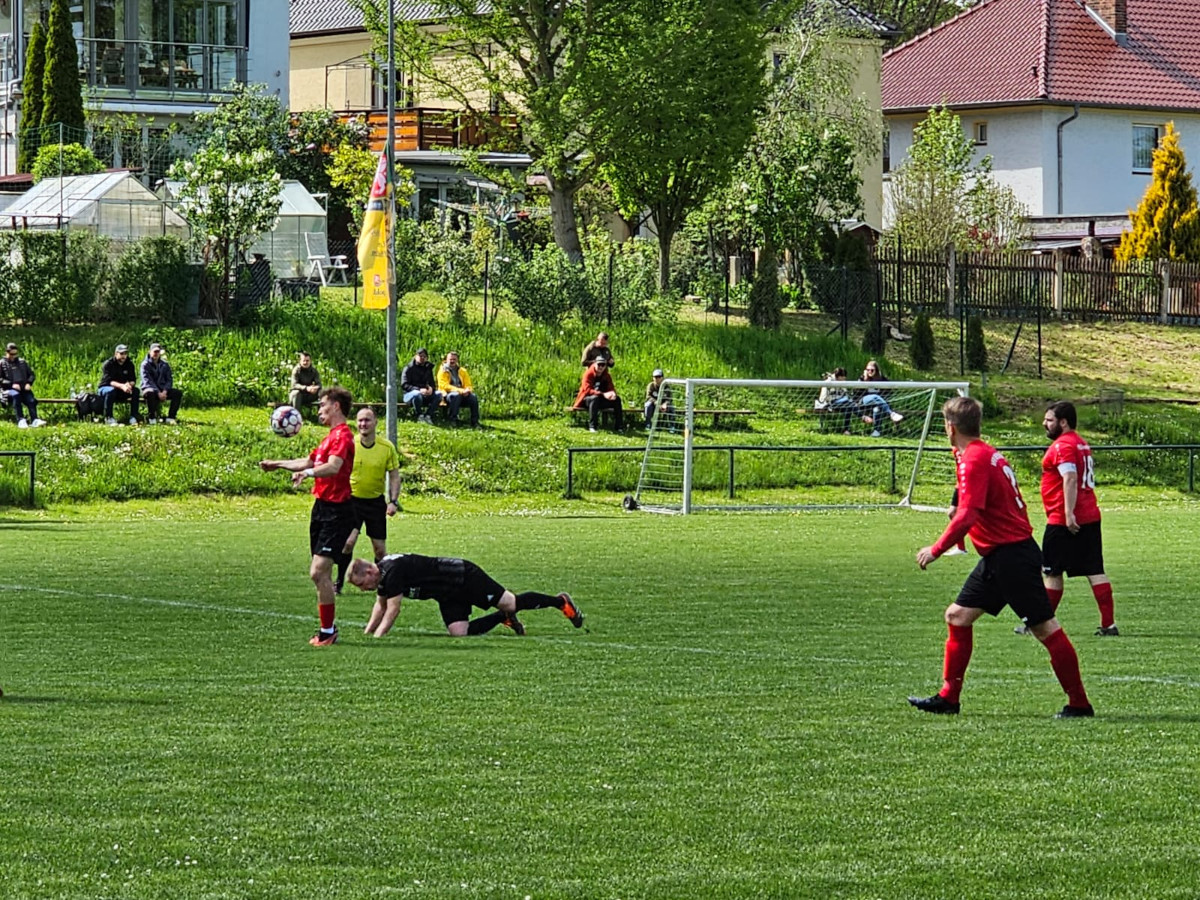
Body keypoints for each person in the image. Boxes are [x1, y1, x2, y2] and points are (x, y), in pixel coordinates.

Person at [909, 395, 1093, 718]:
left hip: (1011, 557)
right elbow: (967, 483)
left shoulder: (975, 459)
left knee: (1045, 628)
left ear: (950, 428)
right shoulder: (981, 452)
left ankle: (1079, 703)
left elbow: (968, 514)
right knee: (957, 616)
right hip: (1000, 555)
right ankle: (949, 698)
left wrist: (936, 550)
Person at [260, 386, 357, 647]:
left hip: (338, 511)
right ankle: (328, 627)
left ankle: (328, 631)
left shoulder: (343, 437)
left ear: (336, 406)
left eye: (323, 405)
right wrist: (277, 464)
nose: (319, 411)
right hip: (322, 509)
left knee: (318, 572)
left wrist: (309, 474)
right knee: (319, 574)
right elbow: (308, 461)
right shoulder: (329, 438)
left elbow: (333, 467)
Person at [347, 553, 585, 638]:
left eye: (361, 584)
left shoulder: (392, 571)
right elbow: (380, 605)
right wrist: (368, 633)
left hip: (461, 575)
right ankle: (502, 617)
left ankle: (560, 602)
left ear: (369, 571)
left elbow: (393, 609)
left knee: (512, 602)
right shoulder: (382, 575)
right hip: (447, 594)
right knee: (459, 634)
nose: (363, 589)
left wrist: (379, 637)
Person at [1036, 400, 1118, 636]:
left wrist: (1068, 513)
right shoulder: (1081, 443)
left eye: (1049, 420)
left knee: (1052, 572)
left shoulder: (1063, 446)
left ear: (1063, 422)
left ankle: (1041, 624)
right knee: (1094, 569)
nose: (1045, 424)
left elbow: (1070, 478)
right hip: (1090, 513)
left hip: (1064, 519)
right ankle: (1108, 624)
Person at [334, 407, 401, 594]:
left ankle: (382, 584)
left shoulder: (386, 447)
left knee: (380, 550)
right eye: (360, 420)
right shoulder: (350, 444)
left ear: (375, 423)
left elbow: (394, 476)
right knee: (347, 543)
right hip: (352, 501)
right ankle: (338, 582)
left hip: (375, 503)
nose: (363, 424)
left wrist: (393, 501)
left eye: (367, 420)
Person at [1, 342, 45, 428]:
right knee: (16, 395)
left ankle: (34, 419)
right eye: (11, 354)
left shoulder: (22, 362)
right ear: (7, 353)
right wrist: (11, 384)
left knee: (31, 400)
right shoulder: (2, 363)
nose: (13, 356)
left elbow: (31, 375)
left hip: (23, 387)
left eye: (15, 354)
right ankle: (20, 420)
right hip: (8, 389)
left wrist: (29, 383)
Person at [574, 356, 623, 433]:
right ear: (595, 364)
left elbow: (611, 387)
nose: (601, 367)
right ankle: (592, 426)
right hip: (587, 399)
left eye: (603, 365)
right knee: (594, 398)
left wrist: (612, 393)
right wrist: (603, 394)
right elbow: (587, 390)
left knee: (617, 399)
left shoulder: (606, 375)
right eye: (599, 364)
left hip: (601, 399)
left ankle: (619, 427)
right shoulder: (588, 374)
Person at [815, 368, 870, 435]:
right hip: (829, 404)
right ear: (839, 376)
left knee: (849, 407)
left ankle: (846, 430)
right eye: (843, 377)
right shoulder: (828, 382)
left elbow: (845, 393)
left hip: (842, 403)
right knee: (849, 404)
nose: (844, 379)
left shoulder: (841, 382)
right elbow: (823, 397)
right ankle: (862, 417)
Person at [858, 359, 904, 438]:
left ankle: (877, 431)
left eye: (872, 370)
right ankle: (891, 414)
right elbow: (856, 392)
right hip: (864, 402)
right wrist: (865, 381)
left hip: (878, 404)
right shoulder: (862, 378)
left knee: (877, 409)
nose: (870, 372)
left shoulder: (882, 379)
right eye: (868, 370)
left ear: (876, 370)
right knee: (875, 397)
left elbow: (888, 392)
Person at [139, 342, 182, 425]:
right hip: (149, 389)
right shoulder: (145, 365)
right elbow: (147, 381)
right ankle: (152, 417)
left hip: (162, 390)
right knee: (150, 393)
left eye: (158, 352)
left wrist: (165, 391)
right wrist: (158, 392)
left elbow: (169, 380)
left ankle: (171, 417)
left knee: (177, 393)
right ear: (150, 352)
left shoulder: (165, 365)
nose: (156, 354)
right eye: (154, 351)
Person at [436, 351, 480, 427]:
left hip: (462, 394)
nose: (452, 361)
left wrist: (468, 390)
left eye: (454, 359)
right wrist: (461, 391)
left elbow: (468, 384)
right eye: (450, 359)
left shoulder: (463, 371)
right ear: (446, 360)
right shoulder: (442, 371)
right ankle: (452, 420)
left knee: (473, 397)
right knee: (456, 395)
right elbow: (444, 385)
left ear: (457, 360)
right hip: (447, 394)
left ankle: (475, 422)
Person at [99, 344, 139, 426]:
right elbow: (108, 381)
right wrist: (122, 386)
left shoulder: (129, 364)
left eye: (125, 354)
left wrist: (129, 385)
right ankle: (108, 417)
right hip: (106, 388)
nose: (123, 356)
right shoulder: (108, 364)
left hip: (122, 390)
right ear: (116, 354)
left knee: (136, 391)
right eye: (121, 354)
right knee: (111, 391)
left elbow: (133, 380)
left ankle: (133, 417)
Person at [401, 347, 443, 424]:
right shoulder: (408, 368)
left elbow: (432, 384)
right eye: (420, 356)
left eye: (424, 356)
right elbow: (404, 385)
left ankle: (428, 416)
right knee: (417, 394)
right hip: (410, 395)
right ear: (415, 356)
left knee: (439, 395)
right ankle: (419, 415)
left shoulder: (428, 368)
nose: (422, 358)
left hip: (425, 394)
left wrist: (431, 389)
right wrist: (418, 389)